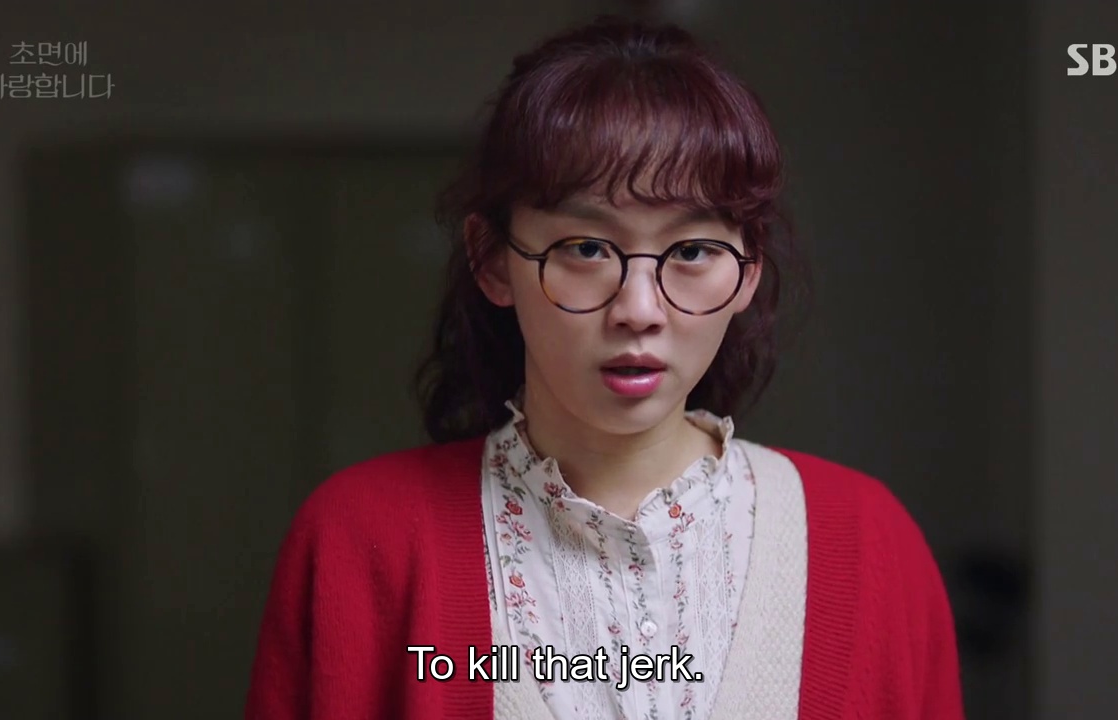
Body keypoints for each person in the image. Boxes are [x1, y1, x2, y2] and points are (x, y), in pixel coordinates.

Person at [245, 14, 964, 720]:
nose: (639, 310)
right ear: (492, 259)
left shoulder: (867, 542)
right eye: (587, 248)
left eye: (692, 252)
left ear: (748, 269)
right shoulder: (359, 542)